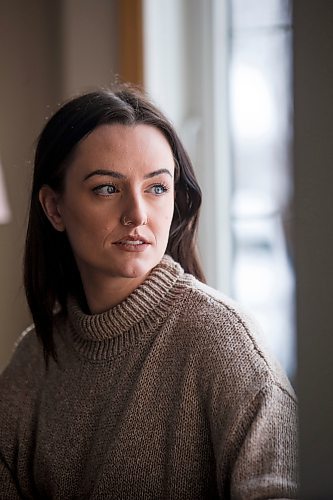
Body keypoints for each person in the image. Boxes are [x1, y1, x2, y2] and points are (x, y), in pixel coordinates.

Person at [0, 86, 297, 499]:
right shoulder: (32, 363)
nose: (137, 214)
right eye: (107, 188)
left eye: (157, 188)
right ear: (54, 208)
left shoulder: (226, 346)